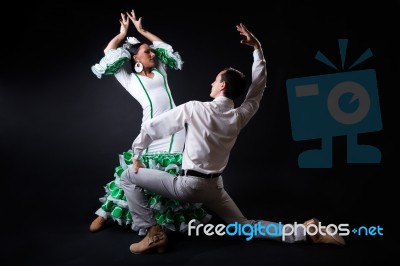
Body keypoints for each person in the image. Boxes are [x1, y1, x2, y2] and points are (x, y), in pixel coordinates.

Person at [120, 23, 347, 254]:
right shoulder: (239, 115)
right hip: (215, 188)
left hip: (190, 186)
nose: (211, 83)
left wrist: (137, 154)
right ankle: (306, 232)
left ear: (222, 85)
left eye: (215, 80)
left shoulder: (194, 109)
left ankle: (152, 232)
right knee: (243, 225)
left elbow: (151, 127)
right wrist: (257, 49)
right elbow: (258, 89)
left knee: (128, 176)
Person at [89, 10, 211, 236]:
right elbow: (109, 52)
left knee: (168, 176)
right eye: (147, 52)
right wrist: (122, 33)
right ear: (136, 58)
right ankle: (105, 213)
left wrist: (143, 31)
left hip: (175, 131)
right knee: (134, 172)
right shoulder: (128, 79)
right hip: (150, 132)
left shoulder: (161, 71)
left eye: (152, 52)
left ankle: (160, 228)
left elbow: (164, 46)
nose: (152, 54)